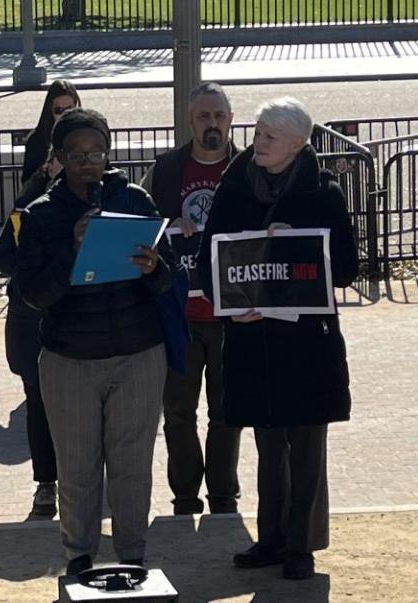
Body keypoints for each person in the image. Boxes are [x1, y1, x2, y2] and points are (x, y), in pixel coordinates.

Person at [198, 97, 358, 579]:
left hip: (306, 344)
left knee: (305, 445)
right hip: (252, 339)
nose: (257, 142)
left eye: (269, 136)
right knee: (268, 442)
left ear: (297, 145)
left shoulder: (324, 194)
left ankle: (300, 546)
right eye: (258, 132)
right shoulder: (233, 188)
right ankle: (269, 540)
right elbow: (212, 262)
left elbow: (347, 269)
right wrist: (229, 308)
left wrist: (301, 243)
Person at [16, 108, 179, 575]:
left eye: (97, 153)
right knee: (78, 466)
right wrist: (74, 247)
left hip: (138, 355)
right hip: (71, 360)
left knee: (132, 465)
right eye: (78, 155)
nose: (90, 163)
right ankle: (80, 557)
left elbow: (167, 280)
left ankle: (132, 556)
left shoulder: (137, 200)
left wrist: (154, 268)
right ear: (61, 158)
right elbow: (34, 295)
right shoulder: (41, 216)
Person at [141, 82, 242, 515]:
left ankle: (223, 495)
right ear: (190, 121)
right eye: (204, 116)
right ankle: (185, 496)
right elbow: (142, 228)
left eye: (219, 116)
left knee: (228, 412)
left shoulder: (249, 168)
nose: (212, 124)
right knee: (178, 413)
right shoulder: (164, 171)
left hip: (232, 316)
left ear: (231, 120)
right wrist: (168, 224)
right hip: (178, 315)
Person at [0, 80, 80, 518]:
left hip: (86, 322)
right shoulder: (32, 198)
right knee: (40, 400)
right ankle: (46, 484)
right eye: (68, 156)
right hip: (35, 317)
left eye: (89, 156)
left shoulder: (109, 196)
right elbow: (4, 254)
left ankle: (81, 485)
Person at [20, 79, 81, 199]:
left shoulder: (87, 135)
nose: (64, 115)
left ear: (76, 106)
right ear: (50, 111)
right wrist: (46, 170)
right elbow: (26, 185)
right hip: (46, 205)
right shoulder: (37, 140)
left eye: (69, 110)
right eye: (59, 110)